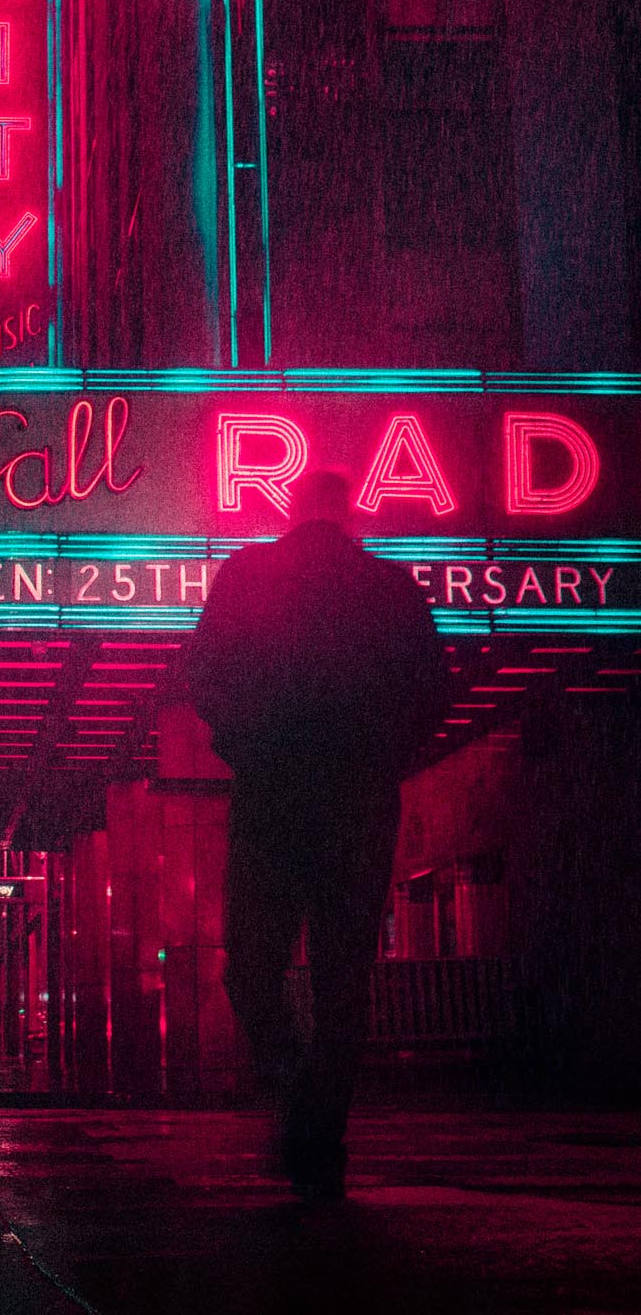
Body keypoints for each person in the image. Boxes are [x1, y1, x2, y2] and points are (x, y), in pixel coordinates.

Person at [186, 468, 452, 1202]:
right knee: (344, 982)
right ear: (347, 514)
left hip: (272, 798)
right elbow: (435, 688)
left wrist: (245, 742)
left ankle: (293, 1088)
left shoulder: (247, 574)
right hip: (358, 805)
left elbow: (200, 675)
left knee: (249, 965)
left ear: (295, 510)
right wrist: (385, 757)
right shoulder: (390, 587)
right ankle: (319, 1131)